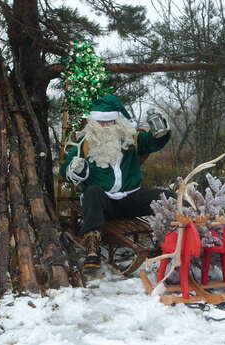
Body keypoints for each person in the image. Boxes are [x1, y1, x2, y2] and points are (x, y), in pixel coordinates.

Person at [60, 94, 173, 270]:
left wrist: (161, 132)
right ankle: (92, 249)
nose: (104, 126)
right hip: (103, 203)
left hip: (131, 198)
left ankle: (171, 240)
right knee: (92, 192)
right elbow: (65, 171)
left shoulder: (131, 139)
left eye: (109, 122)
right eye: (100, 122)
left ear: (119, 122)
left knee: (167, 197)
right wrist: (77, 171)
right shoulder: (84, 143)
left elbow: (153, 143)